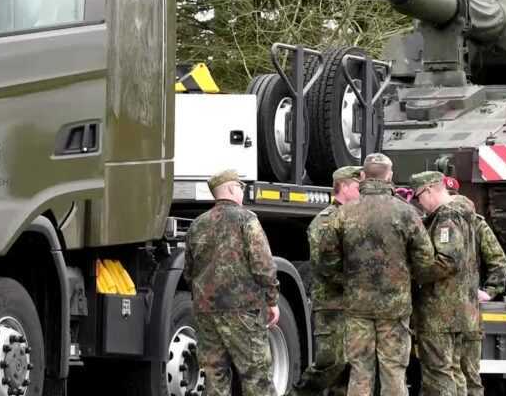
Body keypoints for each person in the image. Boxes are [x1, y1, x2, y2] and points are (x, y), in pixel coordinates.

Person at [317, 153, 440, 396]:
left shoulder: (343, 214)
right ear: (390, 176)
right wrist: (406, 279)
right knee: (393, 370)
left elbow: (326, 259)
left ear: (363, 176)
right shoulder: (406, 213)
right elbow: (426, 260)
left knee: (360, 370)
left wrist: (347, 281)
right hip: (394, 307)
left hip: (357, 305)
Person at [183, 169, 281, 396]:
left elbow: (189, 271)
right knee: (257, 377)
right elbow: (263, 265)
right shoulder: (247, 219)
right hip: (242, 310)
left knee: (214, 378)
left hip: (206, 311)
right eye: (240, 187)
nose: (242, 193)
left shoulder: (197, 224)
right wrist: (272, 299)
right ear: (230, 189)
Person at [293, 165, 363, 396]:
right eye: (357, 186)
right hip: (332, 303)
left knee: (350, 367)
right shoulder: (326, 220)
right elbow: (324, 264)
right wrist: (357, 281)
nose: (361, 191)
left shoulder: (356, 218)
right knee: (330, 362)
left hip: (353, 303)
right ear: (343, 187)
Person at [409, 171, 471, 396]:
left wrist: (416, 274)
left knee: (438, 373)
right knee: (454, 370)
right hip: (455, 307)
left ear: (431, 189)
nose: (420, 202)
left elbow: (446, 261)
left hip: (439, 309)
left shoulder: (446, 218)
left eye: (420, 196)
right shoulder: (460, 214)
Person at [448, 192, 506, 396]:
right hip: (457, 312)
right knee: (464, 374)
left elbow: (499, 263)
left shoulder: (476, 225)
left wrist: (490, 291)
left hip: (464, 310)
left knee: (464, 373)